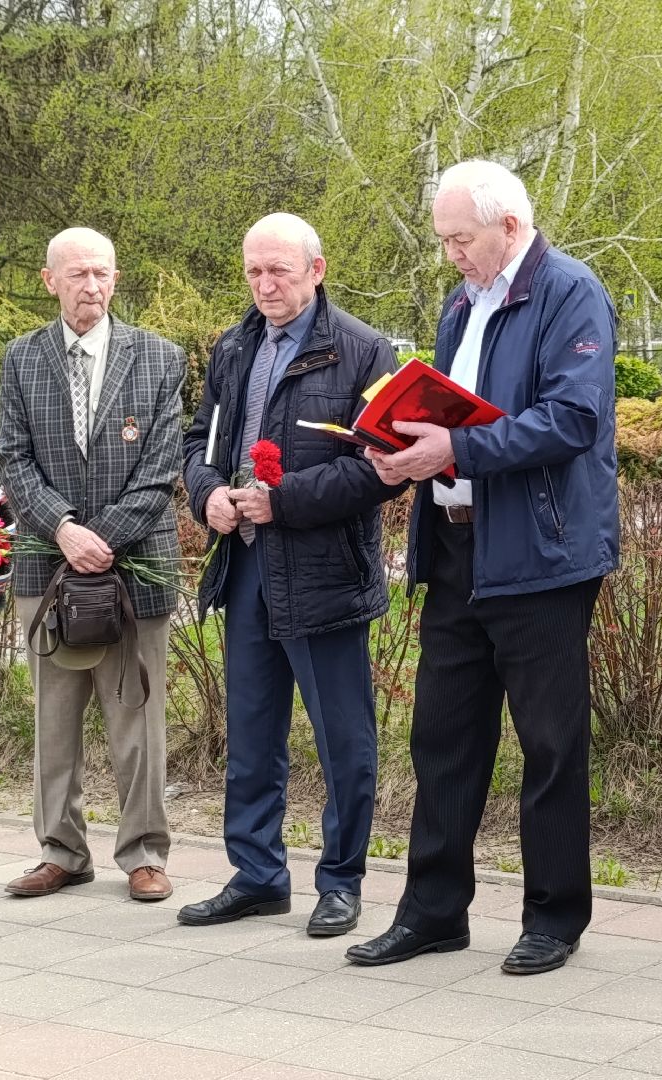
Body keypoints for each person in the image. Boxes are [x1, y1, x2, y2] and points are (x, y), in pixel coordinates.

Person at [347, 160, 618, 976]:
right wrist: (402, 452)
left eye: (460, 239)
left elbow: (572, 418)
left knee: (549, 743)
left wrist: (455, 448)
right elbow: (445, 411)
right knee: (444, 737)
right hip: (459, 546)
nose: (451, 256)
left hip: (541, 553)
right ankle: (433, 913)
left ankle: (554, 917)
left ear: (508, 225)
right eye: (444, 241)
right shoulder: (462, 302)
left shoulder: (570, 292)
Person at [180, 213, 398, 936]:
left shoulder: (365, 353)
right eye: (253, 272)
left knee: (344, 740)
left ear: (317, 268)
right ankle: (257, 875)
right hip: (243, 565)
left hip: (324, 571)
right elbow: (197, 440)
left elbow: (381, 470)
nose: (265, 285)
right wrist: (206, 490)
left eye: (279, 271)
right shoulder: (234, 346)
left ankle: (341, 881)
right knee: (250, 731)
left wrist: (285, 501)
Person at [0, 227, 184, 902]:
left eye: (102, 274)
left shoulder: (159, 359)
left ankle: (144, 853)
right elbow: (14, 460)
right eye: (77, 275)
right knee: (55, 715)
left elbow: (163, 466)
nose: (92, 287)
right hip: (46, 568)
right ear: (50, 281)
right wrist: (65, 531)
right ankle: (61, 851)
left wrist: (100, 537)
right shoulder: (22, 360)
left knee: (137, 714)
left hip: (136, 566)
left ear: (116, 277)